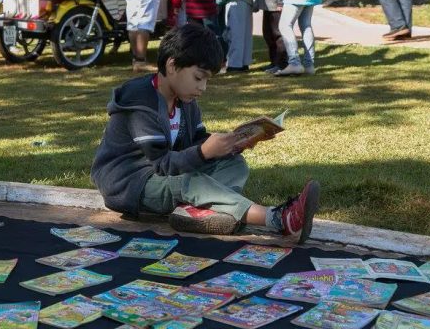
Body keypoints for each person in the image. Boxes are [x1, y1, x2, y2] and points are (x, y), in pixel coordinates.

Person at [90, 23, 320, 240]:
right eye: (198, 78)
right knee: (190, 182)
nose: (202, 88)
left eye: (206, 80)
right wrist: (204, 152)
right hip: (132, 184)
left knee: (235, 164)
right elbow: (163, 164)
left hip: (166, 175)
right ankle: (280, 219)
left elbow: (196, 141)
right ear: (172, 66)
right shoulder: (141, 102)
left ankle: (196, 212)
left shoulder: (184, 99)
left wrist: (233, 145)